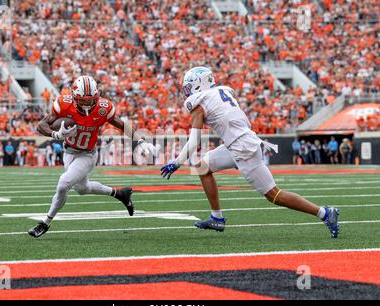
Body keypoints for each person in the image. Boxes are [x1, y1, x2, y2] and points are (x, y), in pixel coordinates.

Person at [160, 67, 339, 238]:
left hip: (242, 147)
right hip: (238, 142)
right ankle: (217, 218)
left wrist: (176, 162)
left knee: (274, 195)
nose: (188, 91)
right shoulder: (220, 93)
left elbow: (194, 141)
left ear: (199, 84)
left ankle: (324, 213)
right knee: (202, 167)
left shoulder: (199, 103)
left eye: (190, 86)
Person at [28, 75, 157, 238]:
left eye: (90, 100)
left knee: (63, 184)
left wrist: (140, 140)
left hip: (87, 155)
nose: (87, 104)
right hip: (68, 152)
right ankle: (121, 194)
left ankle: (45, 223)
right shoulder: (64, 103)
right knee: (82, 189)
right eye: (82, 101)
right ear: (74, 97)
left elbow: (121, 125)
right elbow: (41, 125)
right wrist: (56, 134)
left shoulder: (103, 107)